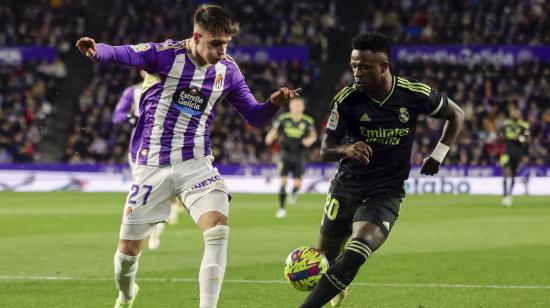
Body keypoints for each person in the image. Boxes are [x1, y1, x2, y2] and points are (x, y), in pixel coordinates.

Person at [76, 4, 301, 308]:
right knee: (127, 254)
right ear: (197, 36)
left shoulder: (228, 70)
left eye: (226, 43)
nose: (222, 51)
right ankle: (126, 296)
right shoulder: (165, 54)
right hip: (151, 166)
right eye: (215, 43)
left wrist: (273, 103)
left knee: (218, 228)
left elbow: (254, 116)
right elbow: (125, 53)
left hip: (196, 165)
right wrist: (96, 50)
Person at [300, 32, 464, 308]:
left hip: (385, 192)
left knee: (357, 250)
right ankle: (337, 283)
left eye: (365, 67)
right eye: (354, 65)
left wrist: (439, 154)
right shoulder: (346, 100)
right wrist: (347, 149)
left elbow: (456, 114)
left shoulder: (413, 93)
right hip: (347, 186)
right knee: (327, 259)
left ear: (384, 67)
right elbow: (325, 149)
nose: (357, 72)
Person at [112, 70, 183, 250]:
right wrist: (132, 118)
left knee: (161, 190)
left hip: (168, 148)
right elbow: (117, 116)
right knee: (144, 194)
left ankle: (158, 226)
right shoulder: (133, 92)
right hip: (140, 150)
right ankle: (148, 230)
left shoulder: (176, 89)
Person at [265, 97, 317, 218]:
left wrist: (310, 140)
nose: (297, 108)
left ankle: (294, 192)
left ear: (303, 107)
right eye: (295, 105)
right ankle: (282, 208)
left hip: (300, 154)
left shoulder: (308, 121)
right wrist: (270, 137)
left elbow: (313, 135)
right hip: (286, 153)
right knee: (283, 181)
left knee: (298, 183)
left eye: (299, 106)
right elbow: (274, 131)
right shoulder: (283, 119)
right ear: (290, 106)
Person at [500, 107, 530, 207]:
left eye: (517, 113)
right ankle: (505, 194)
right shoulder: (506, 124)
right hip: (507, 151)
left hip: (517, 153)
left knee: (513, 174)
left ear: (519, 115)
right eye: (514, 113)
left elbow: (527, 139)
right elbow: (501, 135)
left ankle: (509, 194)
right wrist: (504, 137)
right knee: (505, 172)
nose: (515, 115)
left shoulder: (524, 125)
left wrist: (521, 138)